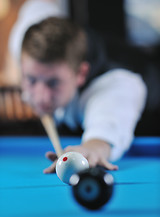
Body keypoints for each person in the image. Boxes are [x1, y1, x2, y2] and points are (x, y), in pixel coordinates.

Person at [8, 2, 147, 173]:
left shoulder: (114, 86)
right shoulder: (26, 38)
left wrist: (91, 149)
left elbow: (105, 132)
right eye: (31, 79)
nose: (40, 97)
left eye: (53, 83)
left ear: (81, 74)